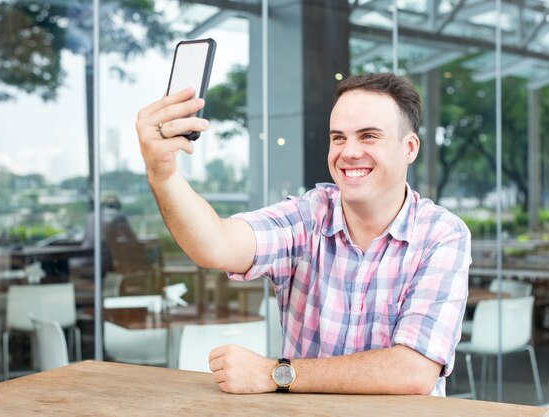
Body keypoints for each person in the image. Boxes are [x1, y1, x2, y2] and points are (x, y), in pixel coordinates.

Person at [135, 73, 471, 396]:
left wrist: (276, 373)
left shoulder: (441, 234)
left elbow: (413, 371)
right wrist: (163, 176)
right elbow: (217, 244)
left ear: (409, 148)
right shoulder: (307, 217)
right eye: (338, 137)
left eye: (368, 136)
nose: (349, 151)